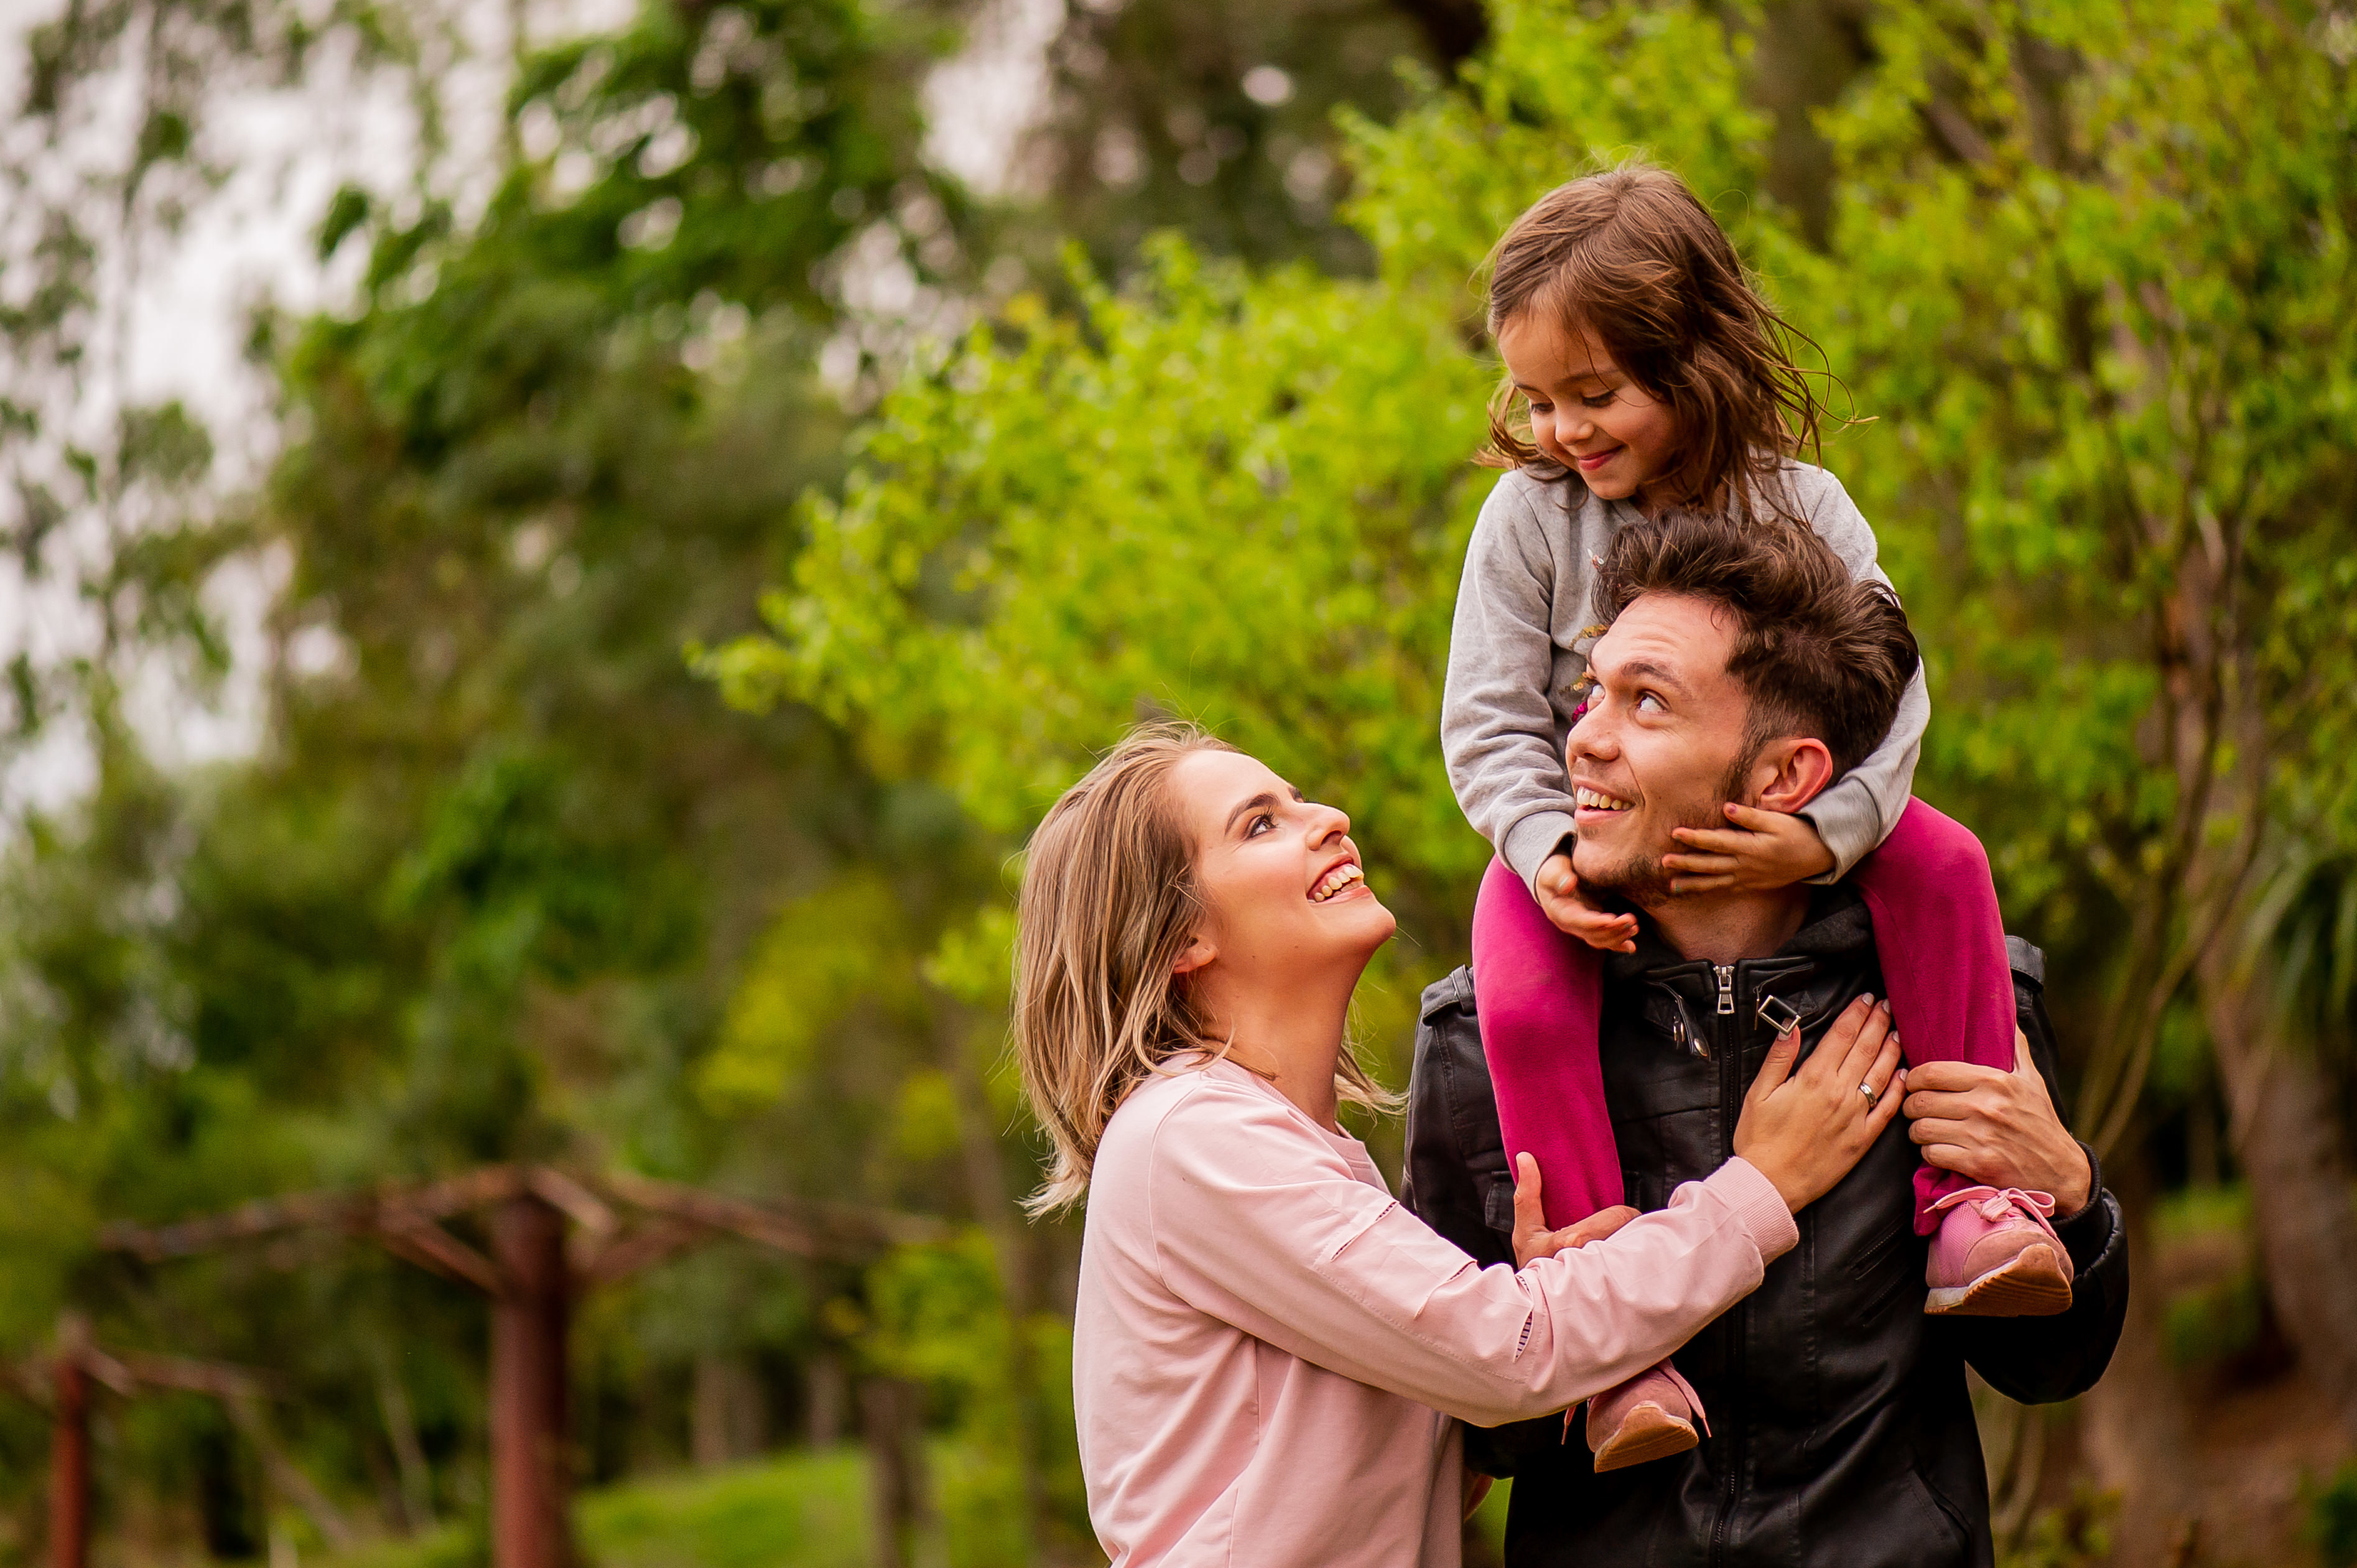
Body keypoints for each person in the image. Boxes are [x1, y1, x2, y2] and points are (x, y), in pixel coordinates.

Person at [1441, 163, 2052, 1470]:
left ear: (1696, 361)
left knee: (1941, 858)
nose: (1561, 429)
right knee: (1520, 985)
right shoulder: (1527, 519)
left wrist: (1826, 832)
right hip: (1582, 851)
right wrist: (1543, 847)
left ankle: (1974, 1198)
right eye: (1538, 399)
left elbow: (1891, 691)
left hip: (1795, 828)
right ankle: (1612, 1335)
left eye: (1593, 395)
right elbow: (1486, 721)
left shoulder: (1803, 508)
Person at [1405, 514, 2129, 1566]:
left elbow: (2048, 1367)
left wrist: (2071, 1191)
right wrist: (1530, 1322)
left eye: (1645, 701)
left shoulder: (1953, 997)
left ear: (1786, 779)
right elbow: (1472, 1446)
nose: (1581, 739)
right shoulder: (1482, 1040)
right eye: (1589, 691)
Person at [1013, 725, 1908, 1568]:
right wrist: (1759, 1186)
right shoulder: (1192, 1137)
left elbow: (1423, 1461)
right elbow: (1509, 1352)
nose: (1329, 820)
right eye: (1260, 824)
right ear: (1181, 938)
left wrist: (1550, 1287)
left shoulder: (1295, 1147)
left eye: (1296, 800)